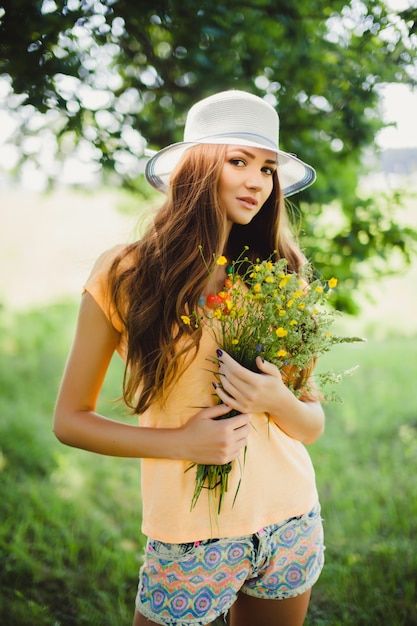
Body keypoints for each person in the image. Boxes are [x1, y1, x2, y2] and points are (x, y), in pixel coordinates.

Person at [53, 89, 325, 626]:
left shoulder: (281, 271)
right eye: (239, 161)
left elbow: (311, 423)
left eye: (268, 169)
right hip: (190, 538)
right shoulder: (127, 274)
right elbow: (69, 422)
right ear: (197, 168)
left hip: (290, 521)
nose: (257, 181)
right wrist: (181, 443)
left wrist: (275, 399)